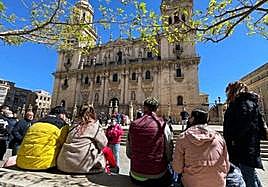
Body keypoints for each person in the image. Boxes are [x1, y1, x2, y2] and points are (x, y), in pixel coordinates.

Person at [172, 108, 230, 187]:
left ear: (192, 119)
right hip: (218, 182)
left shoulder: (183, 138)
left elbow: (177, 168)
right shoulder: (218, 137)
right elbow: (227, 165)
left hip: (192, 183)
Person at [223, 81, 266, 187]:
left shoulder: (243, 103)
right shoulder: (245, 102)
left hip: (243, 148)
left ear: (233, 90)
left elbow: (243, 125)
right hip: (246, 146)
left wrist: (233, 140)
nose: (227, 94)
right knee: (251, 174)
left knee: (248, 176)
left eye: (228, 91)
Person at [126, 97, 173, 187]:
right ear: (157, 108)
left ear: (144, 108)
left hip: (136, 175)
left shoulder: (133, 124)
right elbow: (169, 150)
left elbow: (129, 153)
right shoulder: (163, 125)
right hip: (157, 175)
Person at [57, 104, 109, 174]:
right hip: (82, 166)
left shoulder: (73, 125)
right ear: (93, 113)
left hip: (63, 164)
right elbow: (104, 144)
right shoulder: (94, 126)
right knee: (104, 155)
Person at [16, 106, 69, 170]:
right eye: (66, 116)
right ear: (62, 115)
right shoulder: (62, 126)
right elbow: (64, 143)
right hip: (44, 164)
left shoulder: (35, 123)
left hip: (21, 163)